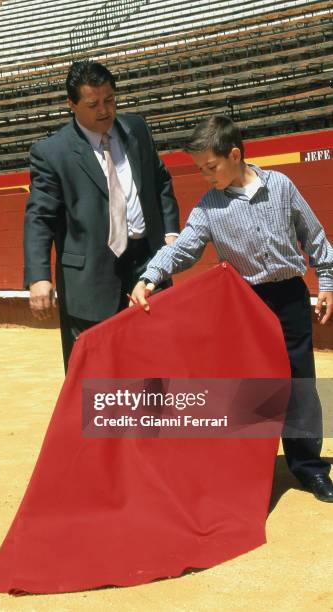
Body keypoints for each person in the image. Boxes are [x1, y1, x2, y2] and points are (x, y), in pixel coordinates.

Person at [130, 115, 333, 503]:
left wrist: (327, 282)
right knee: (250, 385)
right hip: (246, 305)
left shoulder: (281, 186)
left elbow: (316, 236)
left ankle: (309, 468)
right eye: (200, 170)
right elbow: (184, 247)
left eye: (211, 167)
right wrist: (151, 276)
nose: (207, 177)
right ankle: (251, 468)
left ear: (235, 155)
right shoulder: (208, 207)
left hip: (288, 296)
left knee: (299, 385)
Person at [24, 60, 179, 371]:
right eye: (93, 104)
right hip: (91, 274)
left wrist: (171, 231)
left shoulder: (136, 128)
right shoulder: (52, 153)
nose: (104, 110)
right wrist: (39, 276)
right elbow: (39, 217)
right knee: (95, 372)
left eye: (109, 99)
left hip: (147, 261)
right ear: (72, 104)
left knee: (159, 360)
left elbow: (160, 180)